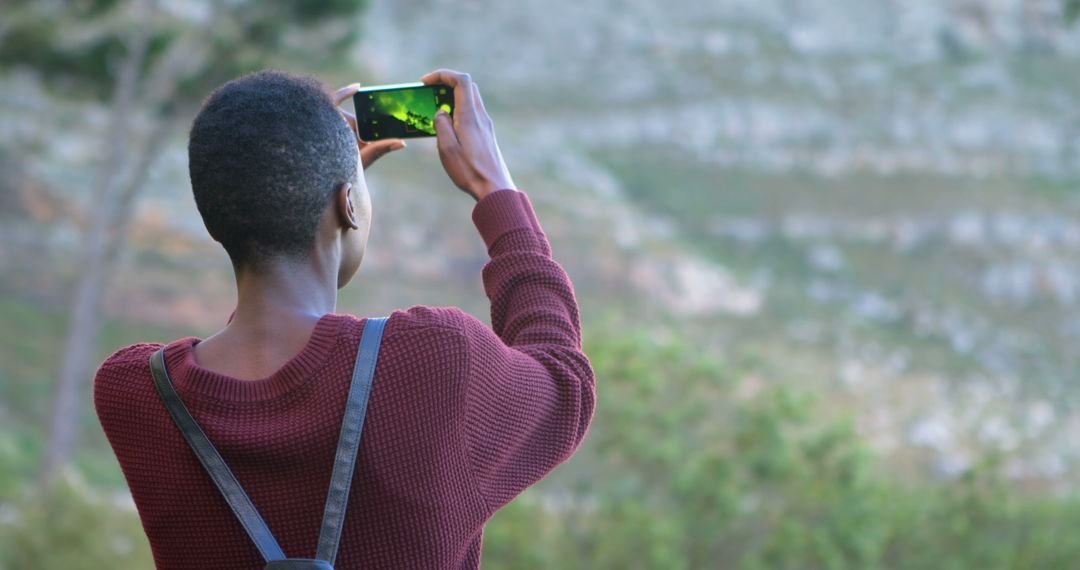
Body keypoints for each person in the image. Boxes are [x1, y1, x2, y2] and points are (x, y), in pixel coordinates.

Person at [92, 68, 596, 569]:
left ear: (213, 216)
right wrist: (496, 191)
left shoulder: (135, 393)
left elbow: (251, 367)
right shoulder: (433, 358)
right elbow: (563, 379)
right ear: (349, 204)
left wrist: (319, 215)